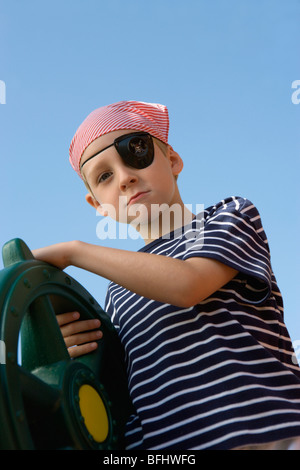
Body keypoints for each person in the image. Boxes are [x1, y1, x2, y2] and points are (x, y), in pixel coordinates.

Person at [33, 100, 300, 450]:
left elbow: (187, 285)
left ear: (173, 160)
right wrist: (70, 346)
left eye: (136, 151)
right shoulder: (117, 293)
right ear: (96, 204)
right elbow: (117, 391)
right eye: (104, 176)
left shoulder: (229, 216)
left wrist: (74, 252)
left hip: (269, 435)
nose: (125, 177)